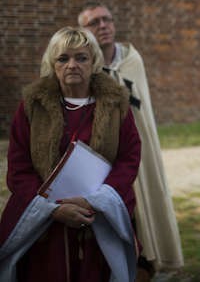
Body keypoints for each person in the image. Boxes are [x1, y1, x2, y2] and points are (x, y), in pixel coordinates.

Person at [0, 26, 141, 281]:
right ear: (52, 64)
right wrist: (52, 209)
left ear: (94, 61)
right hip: (44, 227)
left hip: (98, 218)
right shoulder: (32, 106)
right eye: (63, 58)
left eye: (81, 57)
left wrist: (95, 201)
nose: (72, 65)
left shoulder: (115, 104)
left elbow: (129, 158)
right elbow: (18, 167)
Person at [78, 2, 184, 277]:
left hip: (140, 149)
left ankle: (145, 265)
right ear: (83, 31)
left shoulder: (132, 62)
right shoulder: (83, 68)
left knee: (144, 210)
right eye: (94, 23)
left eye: (107, 20)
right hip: (105, 156)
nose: (103, 26)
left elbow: (142, 110)